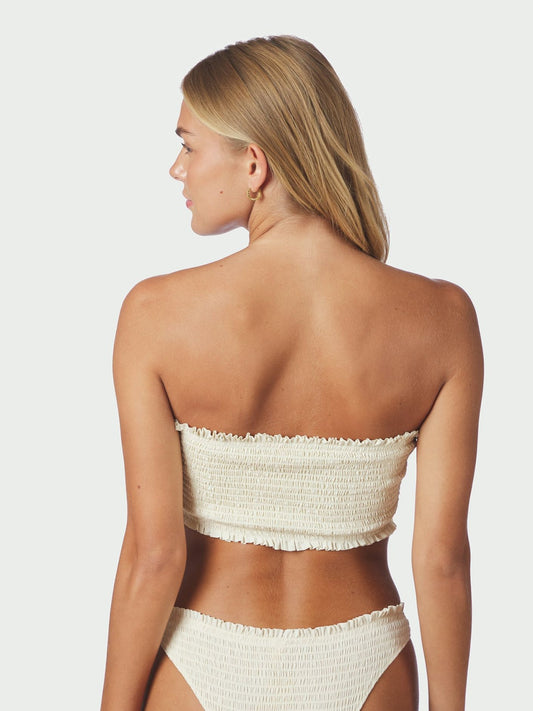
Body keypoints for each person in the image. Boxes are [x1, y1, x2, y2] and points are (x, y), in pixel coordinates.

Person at [100, 35, 483, 711]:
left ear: (254, 163)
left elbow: (153, 557)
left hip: (201, 658)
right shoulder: (443, 318)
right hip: (366, 662)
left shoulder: (156, 315)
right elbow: (442, 561)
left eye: (188, 146)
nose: (176, 169)